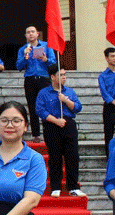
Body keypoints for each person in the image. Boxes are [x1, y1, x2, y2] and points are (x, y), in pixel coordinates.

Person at [36, 64, 84, 198]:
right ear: (52, 77)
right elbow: (40, 110)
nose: (64, 77)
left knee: (72, 156)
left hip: (68, 124)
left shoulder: (69, 92)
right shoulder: (44, 93)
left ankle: (73, 186)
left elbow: (78, 107)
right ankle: (55, 186)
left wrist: (66, 101)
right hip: (52, 125)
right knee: (55, 156)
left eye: (65, 75)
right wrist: (56, 121)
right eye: (61, 75)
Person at [15, 26, 55, 142]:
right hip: (30, 79)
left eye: (33, 32)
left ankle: (49, 131)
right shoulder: (23, 49)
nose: (30, 34)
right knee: (32, 107)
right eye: (28, 32)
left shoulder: (46, 46)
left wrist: (45, 59)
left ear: (37, 34)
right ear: (25, 36)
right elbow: (19, 66)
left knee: (47, 105)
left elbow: (54, 63)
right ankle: (36, 134)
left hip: (44, 79)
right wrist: (25, 56)